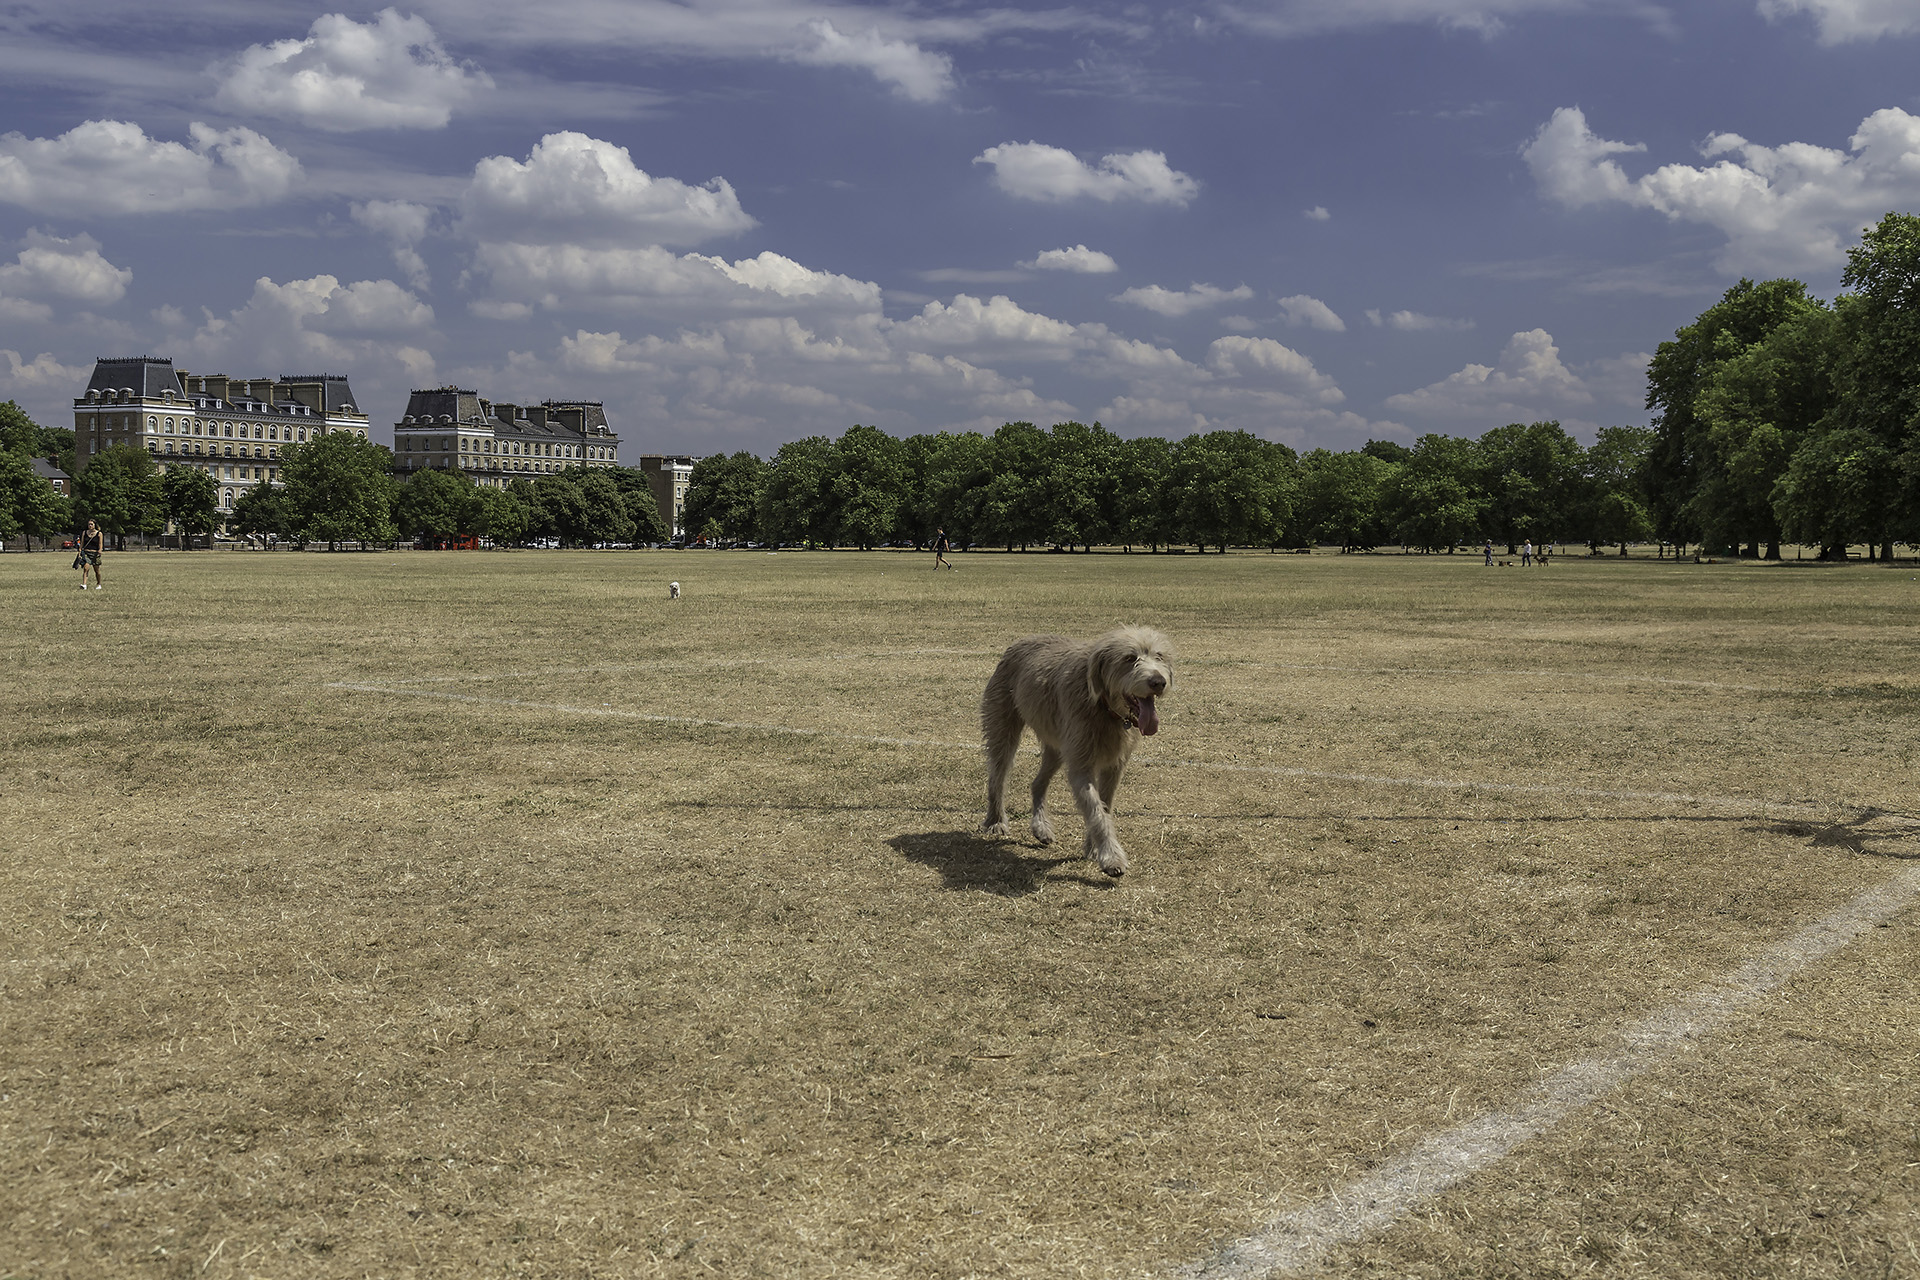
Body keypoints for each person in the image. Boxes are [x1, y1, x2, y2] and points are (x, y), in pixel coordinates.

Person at [78, 519, 105, 589]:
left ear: (95, 525)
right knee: (86, 568)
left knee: (97, 570)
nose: (90, 526)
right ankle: (84, 584)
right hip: (87, 553)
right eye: (89, 524)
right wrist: (80, 551)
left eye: (91, 524)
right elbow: (82, 543)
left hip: (95, 553)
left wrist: (100, 550)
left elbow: (100, 544)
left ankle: (99, 584)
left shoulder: (99, 533)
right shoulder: (85, 532)